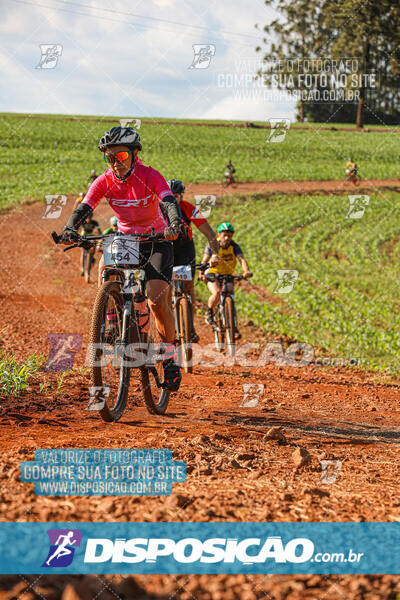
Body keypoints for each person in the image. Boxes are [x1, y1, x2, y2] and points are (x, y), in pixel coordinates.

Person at [58, 126, 184, 391]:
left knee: (155, 299)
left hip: (156, 240)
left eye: (121, 156)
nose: (116, 162)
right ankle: (113, 320)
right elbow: (85, 206)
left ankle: (170, 355)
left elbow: (169, 201)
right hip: (127, 240)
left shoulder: (150, 175)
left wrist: (174, 224)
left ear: (134, 155)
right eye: (110, 157)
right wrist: (71, 229)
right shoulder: (105, 180)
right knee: (106, 267)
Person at [167, 179, 219, 342]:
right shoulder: (158, 209)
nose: (174, 199)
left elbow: (210, 233)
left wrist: (215, 254)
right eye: (170, 196)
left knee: (187, 286)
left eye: (177, 196)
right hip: (166, 248)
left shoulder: (189, 208)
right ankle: (169, 327)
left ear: (181, 196)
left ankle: (190, 326)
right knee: (164, 290)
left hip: (184, 249)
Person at [200, 222, 251, 339]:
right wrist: (201, 273)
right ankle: (209, 313)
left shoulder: (234, 246)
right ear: (219, 235)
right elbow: (204, 260)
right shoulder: (213, 245)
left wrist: (246, 271)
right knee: (217, 293)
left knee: (230, 297)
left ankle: (234, 327)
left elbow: (241, 259)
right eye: (224, 235)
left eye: (229, 235)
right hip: (212, 273)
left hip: (227, 274)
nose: (227, 238)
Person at [79, 215, 102, 280]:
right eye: (87, 218)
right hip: (83, 237)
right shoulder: (82, 222)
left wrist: (100, 235)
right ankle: (82, 269)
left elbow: (99, 230)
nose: (88, 219)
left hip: (91, 237)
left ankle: (92, 257)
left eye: (89, 218)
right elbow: (77, 229)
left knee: (93, 248)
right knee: (83, 252)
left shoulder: (95, 222)